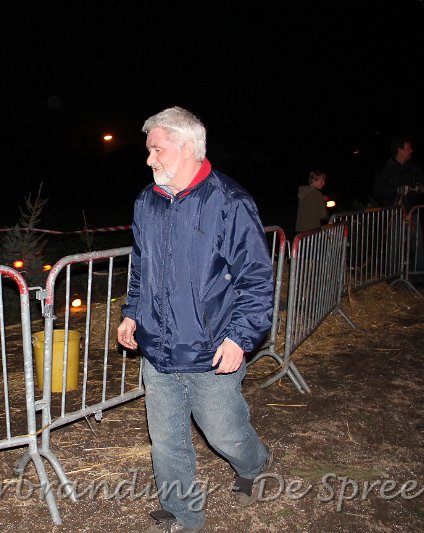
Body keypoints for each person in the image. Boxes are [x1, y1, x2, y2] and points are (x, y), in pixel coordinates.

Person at [117, 107, 275, 533]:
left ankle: (255, 462)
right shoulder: (146, 202)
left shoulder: (230, 203)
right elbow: (141, 267)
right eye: (148, 150)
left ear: (187, 147)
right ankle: (184, 517)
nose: (149, 159)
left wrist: (240, 338)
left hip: (212, 350)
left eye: (157, 149)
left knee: (224, 434)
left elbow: (256, 279)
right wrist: (132, 313)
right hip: (158, 349)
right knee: (166, 443)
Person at [373, 136, 424, 284]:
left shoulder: (413, 169)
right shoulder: (385, 170)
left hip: (412, 212)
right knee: (394, 246)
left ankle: (419, 278)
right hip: (395, 214)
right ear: (399, 149)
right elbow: (378, 191)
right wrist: (395, 190)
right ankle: (391, 279)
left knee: (417, 246)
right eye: (408, 148)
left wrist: (420, 187)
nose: (411, 150)